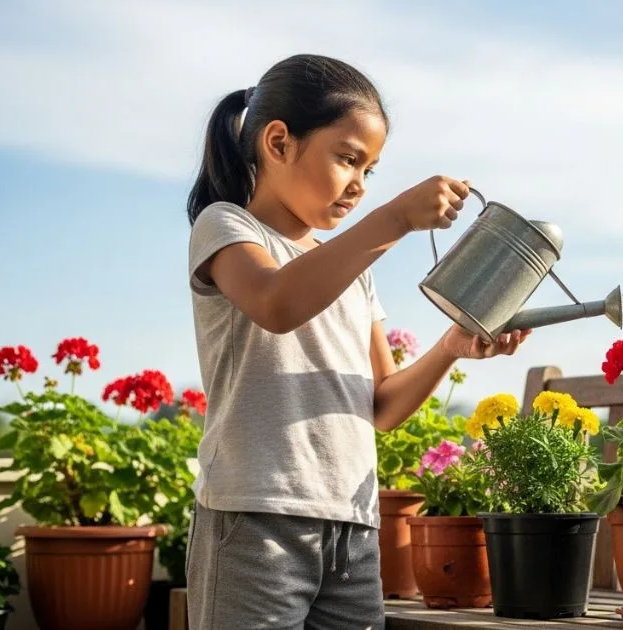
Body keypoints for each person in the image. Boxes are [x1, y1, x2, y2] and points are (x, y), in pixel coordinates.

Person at [183, 53, 530, 630]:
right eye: (348, 160)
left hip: (352, 528)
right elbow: (276, 304)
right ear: (278, 142)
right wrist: (396, 219)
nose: (360, 187)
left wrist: (450, 347)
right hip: (255, 521)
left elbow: (384, 404)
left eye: (370, 171)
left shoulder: (352, 269)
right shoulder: (227, 228)